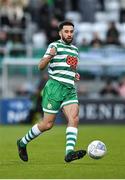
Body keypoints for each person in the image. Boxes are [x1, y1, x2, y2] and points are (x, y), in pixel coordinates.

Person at [17, 21, 86, 163]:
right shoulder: (54, 46)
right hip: (54, 88)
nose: (69, 34)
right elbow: (40, 66)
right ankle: (22, 142)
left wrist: (74, 75)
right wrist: (49, 56)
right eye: (66, 31)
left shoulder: (75, 50)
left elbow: (70, 68)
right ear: (60, 33)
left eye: (71, 31)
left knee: (74, 118)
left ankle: (69, 153)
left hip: (69, 89)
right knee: (47, 125)